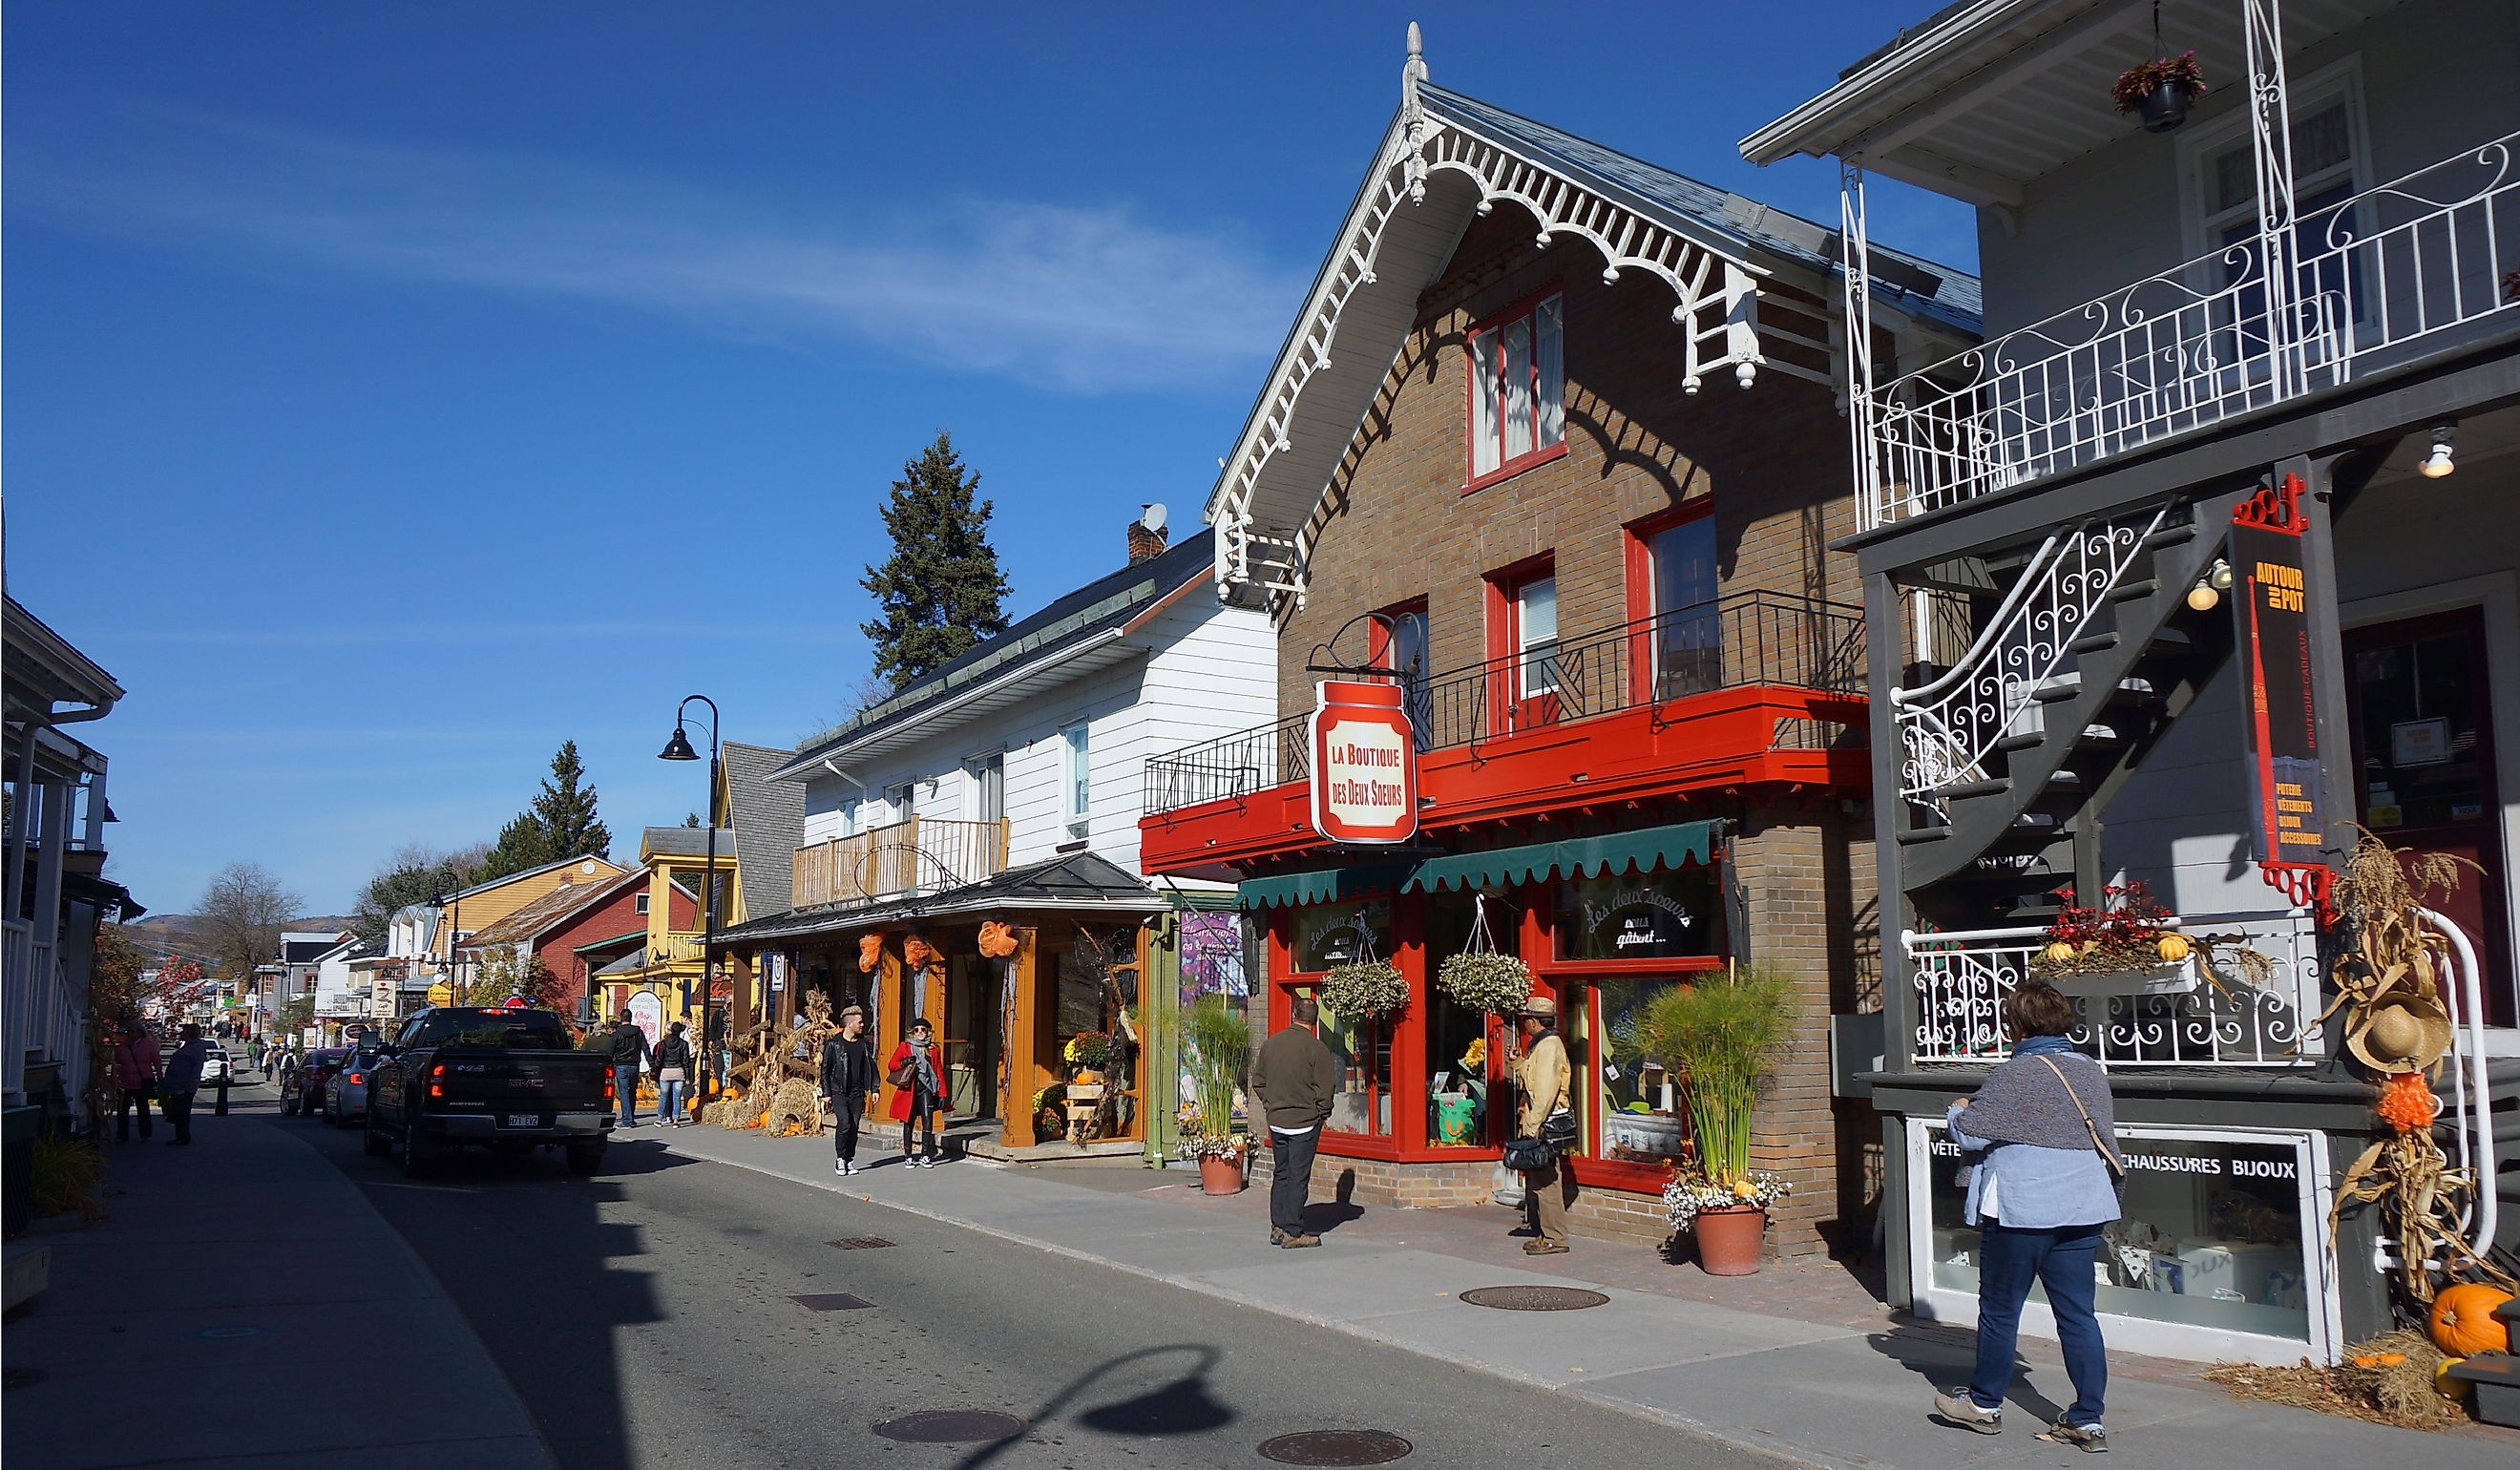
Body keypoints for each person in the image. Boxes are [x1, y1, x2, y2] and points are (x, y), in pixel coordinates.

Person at [1931, 979, 2119, 1454]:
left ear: (2016, 1024)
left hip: (2023, 1208)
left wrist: (1956, 1111)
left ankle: (1983, 1406)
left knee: (1999, 1310)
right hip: (2082, 1206)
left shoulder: (2014, 1074)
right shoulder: (2091, 1070)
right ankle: (2088, 1420)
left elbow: (1973, 1135)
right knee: (2078, 1315)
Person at [1248, 994, 1338, 1249]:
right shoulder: (1317, 1049)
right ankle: (1293, 1230)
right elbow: (1326, 1089)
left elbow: (1259, 1082)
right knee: (1298, 1176)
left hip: (1277, 1121)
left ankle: (1278, 1227)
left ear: (1293, 1015)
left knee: (1282, 1173)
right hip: (1305, 1123)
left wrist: (1271, 1104)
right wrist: (1321, 1113)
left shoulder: (1272, 1044)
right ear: (1315, 1021)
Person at [1511, 995, 1572, 1255]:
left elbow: (1545, 1092)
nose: (1524, 1024)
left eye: (1526, 1020)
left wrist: (1533, 1126)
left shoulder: (1548, 1047)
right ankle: (1545, 1233)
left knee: (1547, 1182)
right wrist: (1517, 1063)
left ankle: (1555, 1238)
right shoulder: (1542, 1045)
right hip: (1538, 1120)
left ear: (1535, 1022)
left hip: (1544, 1122)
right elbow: (1533, 1079)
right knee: (1538, 1179)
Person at [820, 1004, 878, 1176]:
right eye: (859, 1022)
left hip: (857, 1092)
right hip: (839, 1091)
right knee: (844, 1124)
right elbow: (825, 1069)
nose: (862, 1025)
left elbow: (871, 1067)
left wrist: (874, 1088)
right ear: (849, 1024)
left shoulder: (863, 1044)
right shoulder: (834, 1044)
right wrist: (826, 1093)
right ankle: (840, 1159)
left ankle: (849, 1160)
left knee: (854, 1127)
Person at [885, 1018, 944, 1166]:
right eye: (917, 1030)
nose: (920, 1033)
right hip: (909, 1089)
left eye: (923, 1030)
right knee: (908, 1121)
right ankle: (908, 1155)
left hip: (927, 1088)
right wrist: (904, 1062)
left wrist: (943, 1092)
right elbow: (891, 1065)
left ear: (927, 1031)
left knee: (927, 1119)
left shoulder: (933, 1050)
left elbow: (939, 1071)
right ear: (912, 1033)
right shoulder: (905, 1047)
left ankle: (925, 1155)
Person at [113, 1018, 163, 1143]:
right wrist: (114, 1078)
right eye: (129, 1031)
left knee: (143, 1109)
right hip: (124, 1082)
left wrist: (160, 1079)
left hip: (142, 1081)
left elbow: (157, 1062)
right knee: (122, 1110)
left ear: (140, 1031)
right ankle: (122, 1136)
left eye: (133, 1031)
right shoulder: (122, 1046)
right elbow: (115, 1062)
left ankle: (145, 1134)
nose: (131, 1033)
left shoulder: (148, 1045)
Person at [160, 1024, 209, 1145]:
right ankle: (180, 1135)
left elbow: (197, 1066)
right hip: (177, 1083)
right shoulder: (188, 1045)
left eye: (184, 1032)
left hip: (185, 1084)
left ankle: (183, 1137)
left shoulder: (196, 1047)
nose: (181, 1033)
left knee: (182, 1111)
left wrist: (192, 1081)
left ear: (189, 1034)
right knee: (178, 1110)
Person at [608, 1013, 650, 1127]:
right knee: (632, 1091)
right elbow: (645, 1047)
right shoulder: (638, 1032)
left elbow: (610, 1051)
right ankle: (630, 1116)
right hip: (635, 1065)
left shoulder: (617, 1034)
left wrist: (608, 1063)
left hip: (621, 1065)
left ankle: (627, 1119)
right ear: (631, 1018)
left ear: (621, 1018)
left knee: (624, 1092)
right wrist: (651, 1063)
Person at [652, 1021, 693, 1127]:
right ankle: (675, 1120)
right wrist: (687, 1076)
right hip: (679, 1071)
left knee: (663, 1096)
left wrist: (655, 1071)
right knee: (677, 1097)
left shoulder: (664, 1043)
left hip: (665, 1071)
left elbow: (659, 1060)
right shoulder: (684, 1044)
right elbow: (685, 1061)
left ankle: (660, 1119)